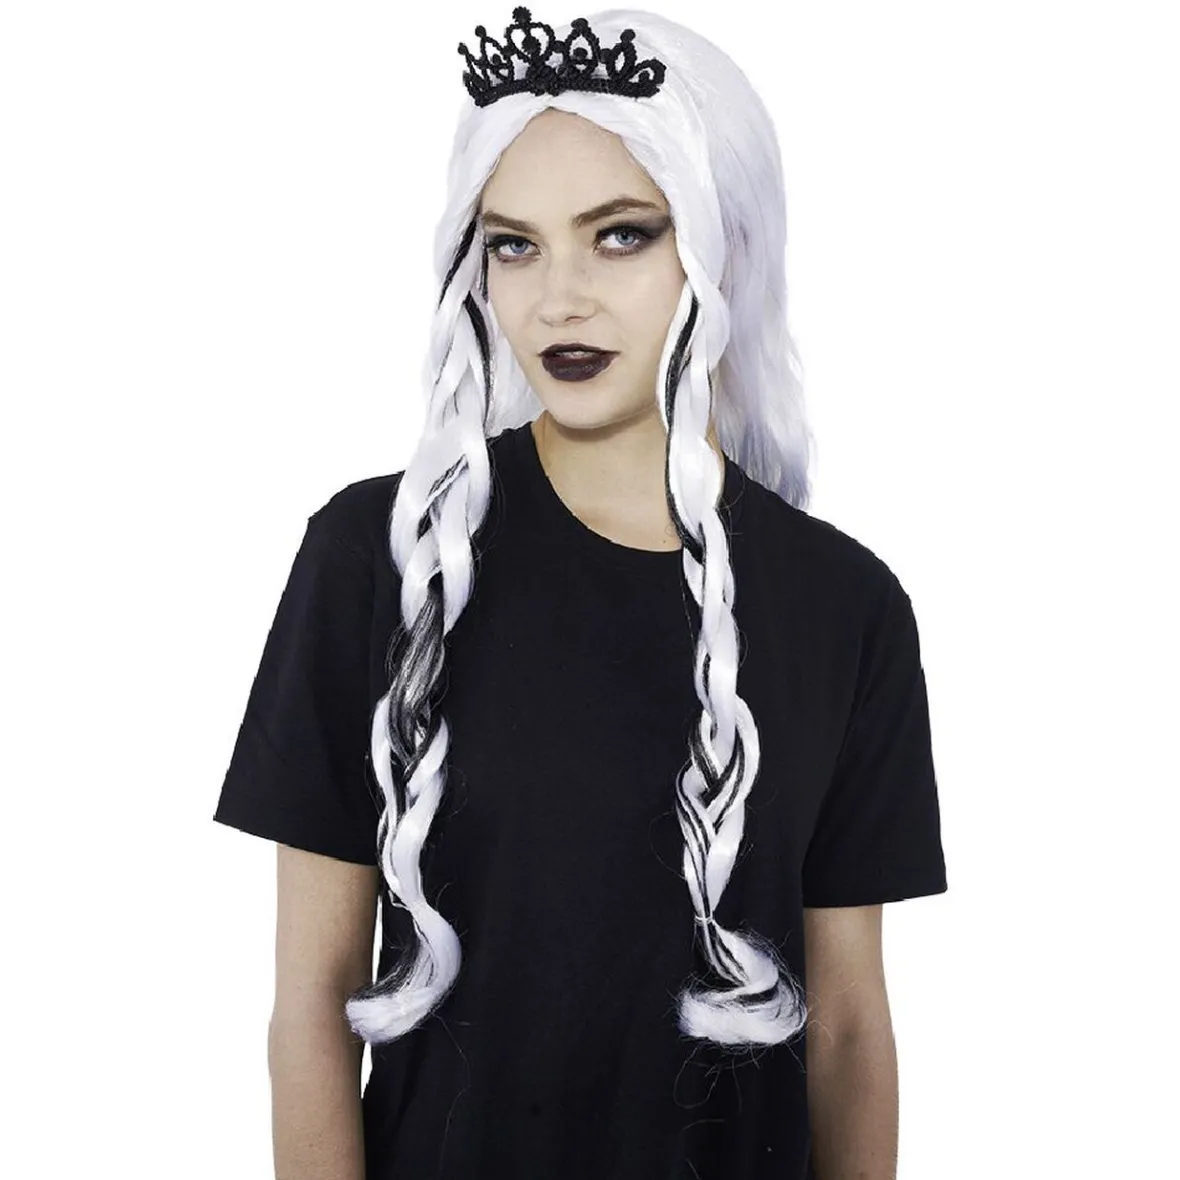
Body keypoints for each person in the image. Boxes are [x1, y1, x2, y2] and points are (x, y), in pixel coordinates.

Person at [212, 8, 948, 1179]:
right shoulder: (378, 557)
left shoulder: (845, 607)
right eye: (514, 246)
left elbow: (849, 1024)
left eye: (619, 236)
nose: (557, 298)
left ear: (724, 243)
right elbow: (311, 1000)